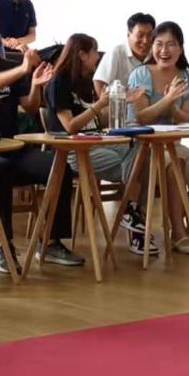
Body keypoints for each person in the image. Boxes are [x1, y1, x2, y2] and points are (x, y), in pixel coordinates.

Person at [0, 8, 84, 272]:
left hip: (13, 146)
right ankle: (4, 246)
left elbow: (31, 106)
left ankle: (51, 242)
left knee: (59, 166)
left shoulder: (11, 67)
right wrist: (23, 69)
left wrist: (34, 84)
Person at [45, 34, 154, 255]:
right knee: (138, 168)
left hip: (96, 141)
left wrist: (120, 101)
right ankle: (132, 214)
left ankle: (131, 211)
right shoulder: (59, 82)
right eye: (94, 52)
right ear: (82, 54)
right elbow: (70, 126)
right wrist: (99, 105)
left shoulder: (84, 81)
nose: (97, 57)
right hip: (74, 150)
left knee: (142, 150)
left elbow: (97, 121)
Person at [128, 22, 189, 253]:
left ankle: (177, 216)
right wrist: (167, 100)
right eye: (159, 44)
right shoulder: (141, 74)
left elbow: (184, 118)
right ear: (152, 47)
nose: (164, 50)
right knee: (174, 164)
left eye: (171, 45)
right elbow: (141, 117)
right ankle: (179, 232)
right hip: (143, 146)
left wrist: (172, 107)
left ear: (180, 48)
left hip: (172, 143)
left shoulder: (185, 77)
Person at [93, 13, 155, 99]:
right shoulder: (116, 53)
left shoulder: (155, 55)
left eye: (149, 35)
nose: (145, 41)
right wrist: (107, 104)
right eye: (140, 35)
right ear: (128, 34)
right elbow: (99, 81)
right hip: (118, 104)